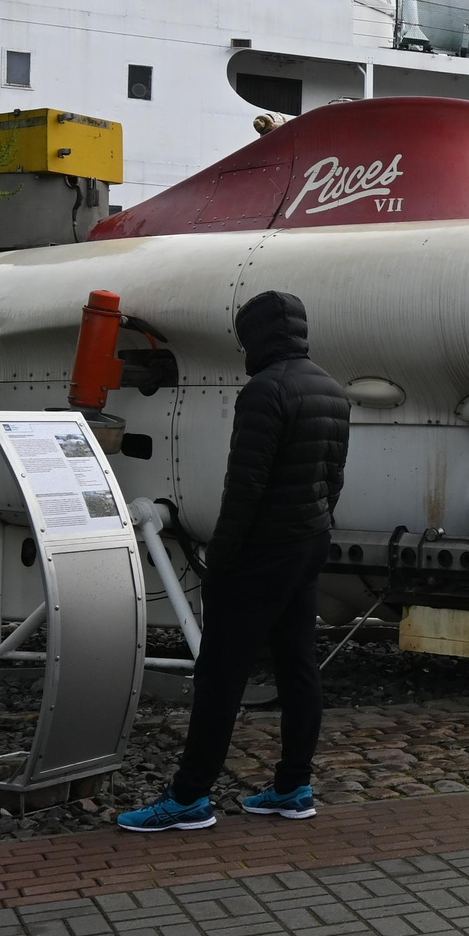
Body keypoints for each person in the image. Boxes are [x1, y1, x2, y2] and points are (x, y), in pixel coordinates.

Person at [120, 291, 351, 831]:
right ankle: (293, 787)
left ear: (258, 336)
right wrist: (314, 526)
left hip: (262, 551)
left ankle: (189, 798)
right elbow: (333, 477)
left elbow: (244, 487)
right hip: (307, 542)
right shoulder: (330, 388)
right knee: (298, 667)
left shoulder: (265, 391)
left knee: (219, 674)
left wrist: (221, 559)